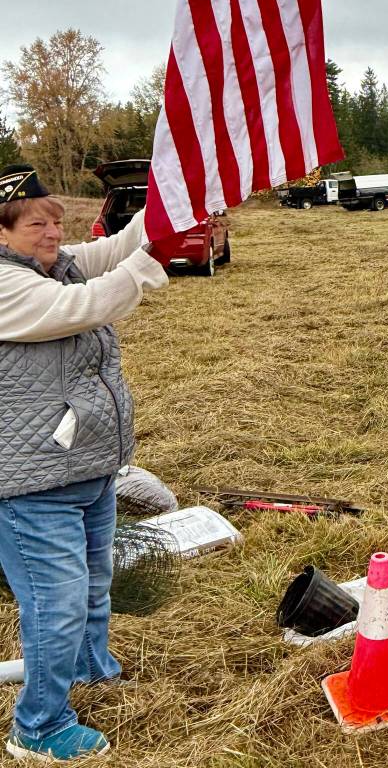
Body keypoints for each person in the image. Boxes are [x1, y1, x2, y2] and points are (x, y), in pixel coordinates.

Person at [0, 164, 178, 762]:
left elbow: (111, 247)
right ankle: (39, 727)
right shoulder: (8, 285)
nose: (52, 232)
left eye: (55, 220)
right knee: (57, 604)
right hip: (30, 483)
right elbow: (86, 305)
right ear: (1, 233)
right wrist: (151, 263)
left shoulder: (54, 262)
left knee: (94, 585)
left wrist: (171, 213)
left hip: (89, 467)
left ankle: (87, 667)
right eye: (35, 224)